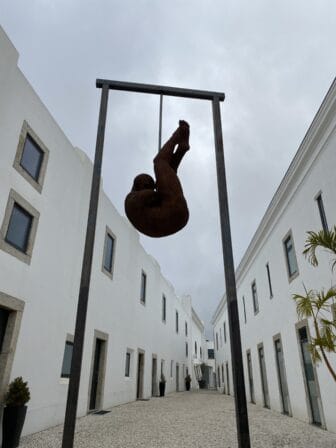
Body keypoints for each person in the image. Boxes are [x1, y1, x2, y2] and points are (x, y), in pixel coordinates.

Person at [125, 120, 190, 237]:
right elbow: (150, 195)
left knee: (168, 170)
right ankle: (177, 136)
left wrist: (160, 184)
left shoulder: (135, 202)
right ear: (138, 185)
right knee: (159, 162)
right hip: (173, 210)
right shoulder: (132, 199)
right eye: (149, 185)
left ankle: (182, 148)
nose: (152, 187)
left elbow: (165, 182)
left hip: (176, 216)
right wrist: (158, 185)